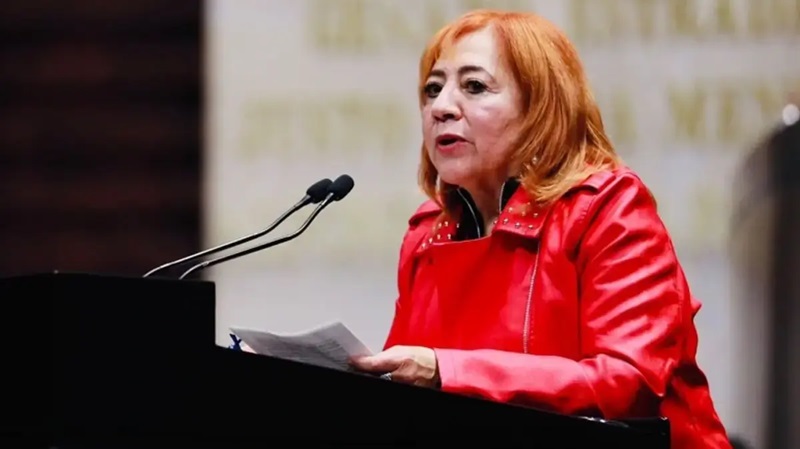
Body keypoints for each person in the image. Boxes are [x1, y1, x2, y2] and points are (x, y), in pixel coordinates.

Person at [350, 9, 731, 449]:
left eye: (474, 86)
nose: (441, 107)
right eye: (432, 90)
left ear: (539, 109)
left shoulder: (608, 208)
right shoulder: (426, 235)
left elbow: (627, 383)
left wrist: (445, 370)